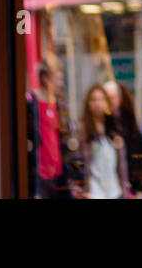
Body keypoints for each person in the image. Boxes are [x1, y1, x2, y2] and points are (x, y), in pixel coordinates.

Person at [75, 85, 131, 199]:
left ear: (107, 103)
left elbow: (122, 163)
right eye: (93, 100)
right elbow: (77, 162)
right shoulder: (83, 130)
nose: (97, 104)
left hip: (114, 191)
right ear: (88, 104)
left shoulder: (114, 128)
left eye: (101, 99)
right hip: (94, 191)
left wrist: (125, 188)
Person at [104, 81, 142, 197]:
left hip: (130, 186)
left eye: (113, 98)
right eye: (107, 98)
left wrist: (138, 187)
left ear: (119, 99)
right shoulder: (102, 125)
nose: (110, 102)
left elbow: (140, 155)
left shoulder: (129, 124)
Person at [34, 61, 71, 199]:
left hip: (59, 174)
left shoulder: (60, 105)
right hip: (40, 175)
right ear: (45, 78)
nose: (61, 84)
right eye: (58, 79)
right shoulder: (33, 104)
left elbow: (65, 138)